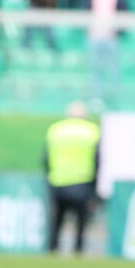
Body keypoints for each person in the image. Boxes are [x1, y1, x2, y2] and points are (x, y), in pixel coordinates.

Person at [44, 102, 101, 254]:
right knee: (81, 223)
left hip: (57, 181)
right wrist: (95, 187)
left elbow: (46, 158)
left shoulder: (55, 130)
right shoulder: (92, 131)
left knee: (56, 221)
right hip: (82, 183)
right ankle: (78, 251)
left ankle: (52, 250)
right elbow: (98, 161)